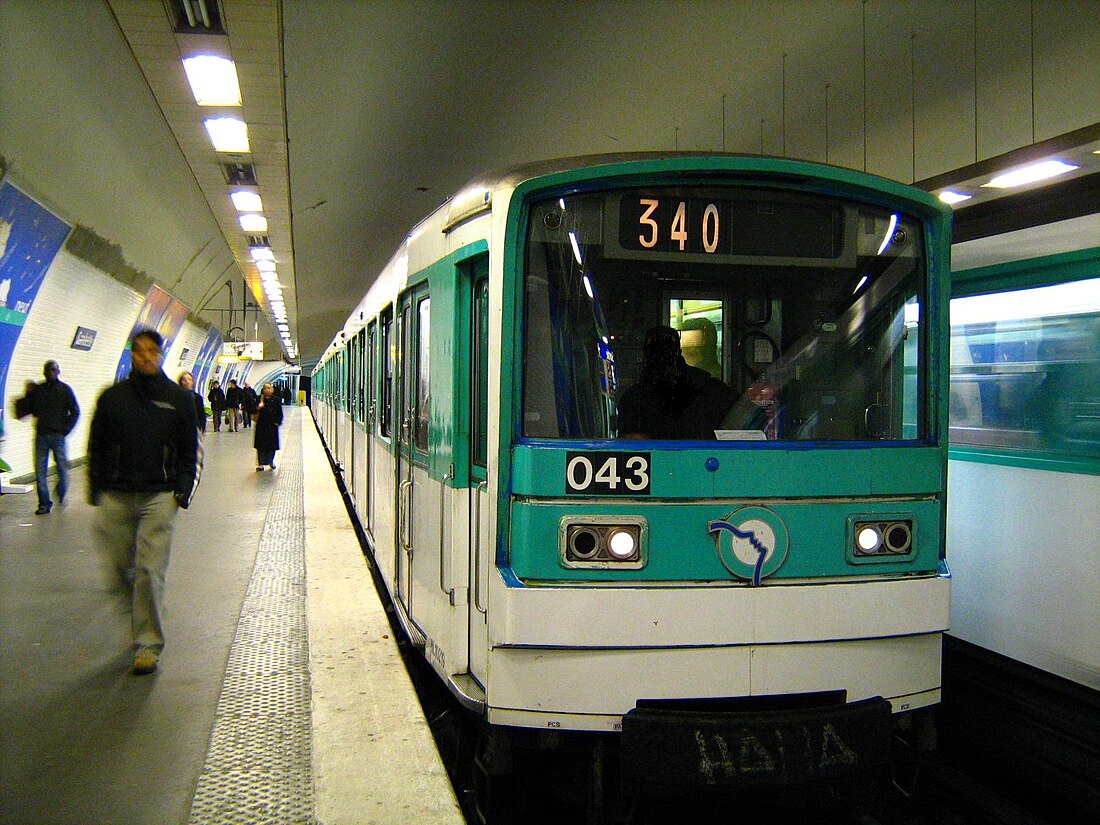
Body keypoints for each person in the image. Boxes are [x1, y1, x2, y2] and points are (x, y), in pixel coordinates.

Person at [88, 329, 201, 675]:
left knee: (149, 570)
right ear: (131, 355)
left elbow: (190, 451)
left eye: (153, 351)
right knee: (120, 568)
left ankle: (148, 644)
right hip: (117, 495)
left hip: (159, 495)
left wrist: (182, 492)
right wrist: (96, 486)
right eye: (139, 352)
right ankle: (140, 617)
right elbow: (96, 444)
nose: (146, 357)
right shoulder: (112, 398)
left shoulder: (178, 399)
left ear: (161, 355)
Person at [617, 325, 736, 440]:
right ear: (679, 351)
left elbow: (627, 447)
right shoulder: (712, 389)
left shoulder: (632, 400)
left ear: (645, 356)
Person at [17, 360, 80, 514]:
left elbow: (75, 411)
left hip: (58, 435)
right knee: (40, 472)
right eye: (47, 370)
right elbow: (27, 410)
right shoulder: (39, 390)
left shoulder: (65, 390)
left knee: (62, 469)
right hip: (41, 436)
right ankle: (44, 504)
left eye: (52, 370)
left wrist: (65, 430)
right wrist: (28, 394)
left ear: (58, 372)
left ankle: (61, 491)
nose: (50, 373)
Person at [253, 382, 284, 471]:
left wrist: (277, 422)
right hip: (261, 426)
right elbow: (252, 409)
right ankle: (261, 464)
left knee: (271, 446)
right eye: (266, 388)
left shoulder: (277, 400)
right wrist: (258, 407)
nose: (267, 390)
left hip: (272, 426)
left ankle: (271, 461)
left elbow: (280, 413)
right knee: (261, 447)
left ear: (272, 389)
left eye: (269, 388)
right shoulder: (259, 399)